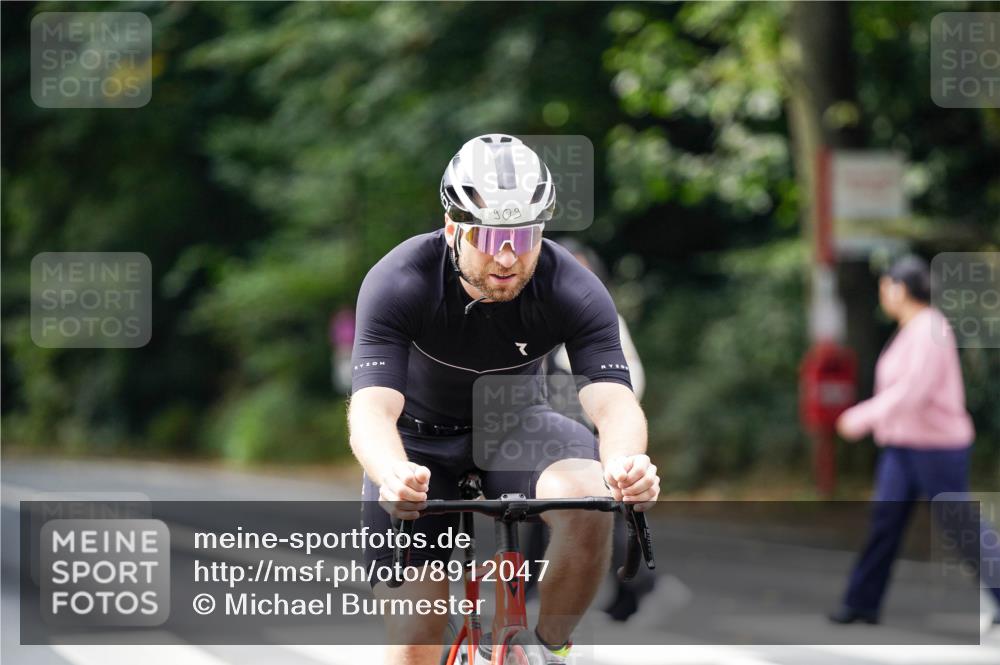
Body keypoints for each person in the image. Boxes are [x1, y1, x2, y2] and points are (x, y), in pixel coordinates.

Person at [348, 134, 660, 665]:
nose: (509, 256)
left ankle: (550, 649)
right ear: (453, 228)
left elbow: (613, 401)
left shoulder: (570, 285)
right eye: (490, 237)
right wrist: (391, 473)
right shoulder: (400, 279)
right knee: (412, 648)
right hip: (417, 444)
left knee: (591, 498)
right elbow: (372, 408)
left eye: (524, 235)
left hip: (516, 427)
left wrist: (625, 464)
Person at [829, 255, 1000, 626]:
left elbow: (913, 391)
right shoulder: (911, 329)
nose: (882, 296)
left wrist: (863, 416)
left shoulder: (929, 329)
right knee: (884, 523)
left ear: (899, 288)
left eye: (885, 288)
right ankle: (861, 602)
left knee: (962, 526)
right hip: (902, 447)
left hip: (936, 448)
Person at [523, 236, 655, 622]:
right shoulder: (531, 311)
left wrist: (610, 424)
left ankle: (637, 589)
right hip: (541, 434)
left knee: (602, 512)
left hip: (590, 433)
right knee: (533, 513)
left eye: (582, 267)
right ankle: (530, 590)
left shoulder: (601, 317)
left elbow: (628, 380)